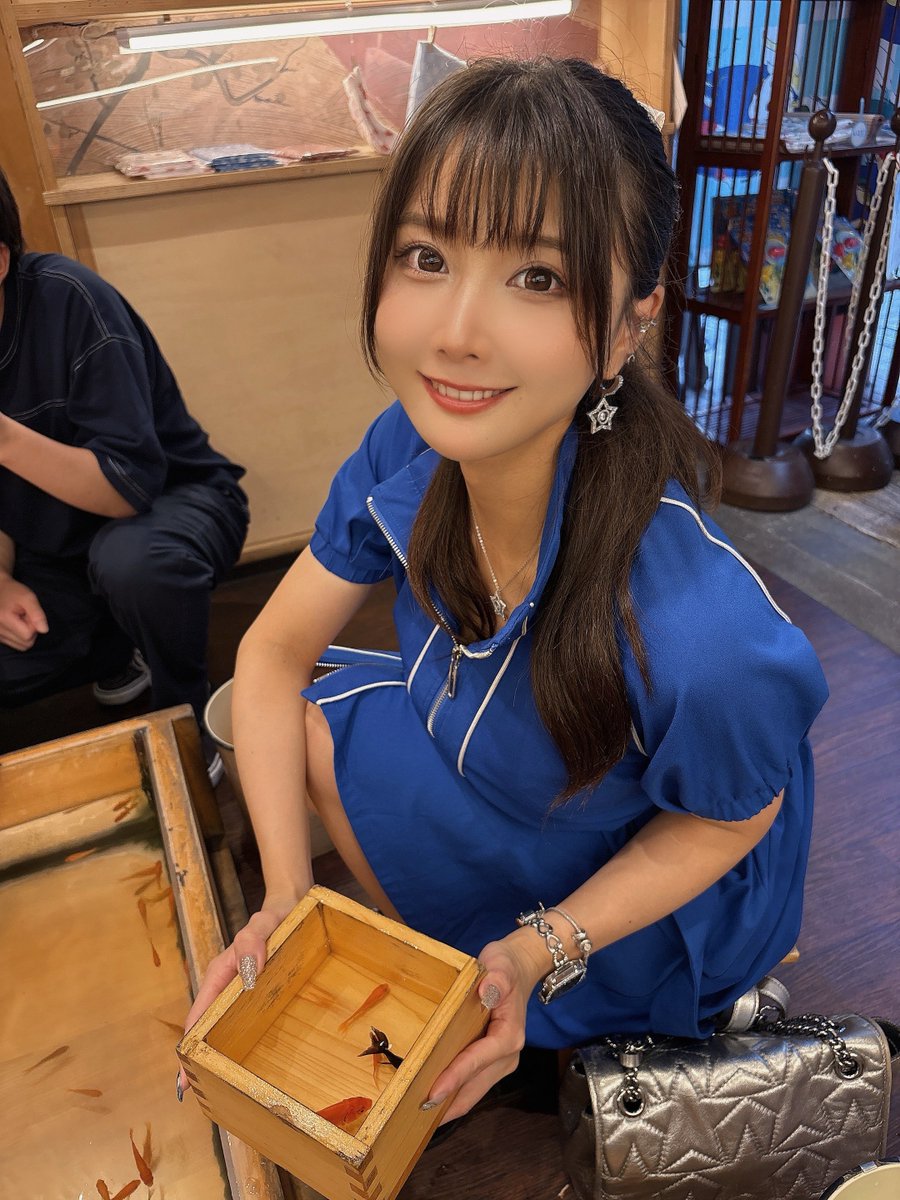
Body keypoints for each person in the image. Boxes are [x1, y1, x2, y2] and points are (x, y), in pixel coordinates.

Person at [181, 57, 828, 1120]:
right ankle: (472, 973)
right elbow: (271, 653)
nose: (455, 332)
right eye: (427, 257)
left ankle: (564, 1012)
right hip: (498, 783)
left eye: (538, 277)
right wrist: (288, 903)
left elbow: (730, 819)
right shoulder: (408, 446)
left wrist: (541, 947)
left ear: (630, 324)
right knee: (294, 727)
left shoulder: (701, 634)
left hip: (636, 881)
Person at [0, 168, 249, 781]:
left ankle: (188, 719)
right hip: (50, 550)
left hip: (172, 503)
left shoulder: (68, 298)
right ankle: (117, 647)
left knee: (136, 564)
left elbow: (126, 487)